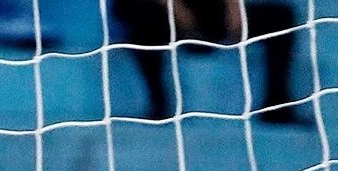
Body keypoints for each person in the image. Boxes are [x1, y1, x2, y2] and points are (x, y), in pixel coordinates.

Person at [107, 0, 301, 123]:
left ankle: (276, 106)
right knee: (137, 17)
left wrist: (234, 7)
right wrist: (178, 10)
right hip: (163, 14)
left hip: (209, 13)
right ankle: (159, 105)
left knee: (281, 17)